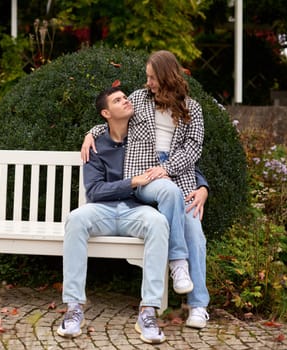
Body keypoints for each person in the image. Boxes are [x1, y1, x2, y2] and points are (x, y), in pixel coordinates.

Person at [81, 50, 210, 328]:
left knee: (195, 233)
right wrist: (91, 133)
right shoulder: (138, 100)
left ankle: (198, 306)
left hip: (180, 178)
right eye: (147, 77)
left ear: (166, 77)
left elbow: (193, 148)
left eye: (152, 77)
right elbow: (114, 119)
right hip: (145, 178)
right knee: (166, 190)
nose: (148, 82)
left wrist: (183, 176)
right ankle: (178, 262)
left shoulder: (193, 108)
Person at [58, 86, 169, 344]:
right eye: (118, 100)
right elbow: (94, 191)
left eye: (125, 97)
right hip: (103, 212)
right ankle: (74, 308)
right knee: (75, 219)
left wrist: (201, 186)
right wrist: (132, 181)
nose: (126, 101)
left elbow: (175, 152)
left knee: (159, 222)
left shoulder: (144, 138)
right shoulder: (96, 145)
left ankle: (148, 311)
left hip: (135, 211)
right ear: (106, 113)